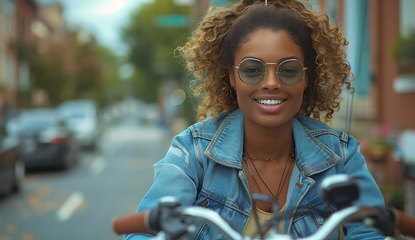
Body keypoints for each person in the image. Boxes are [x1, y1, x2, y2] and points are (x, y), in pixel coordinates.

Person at [125, 0, 385, 239]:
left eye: (289, 70)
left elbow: (369, 231)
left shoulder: (341, 154)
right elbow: (144, 232)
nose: (271, 83)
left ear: (305, 78)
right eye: (252, 70)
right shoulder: (193, 151)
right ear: (231, 77)